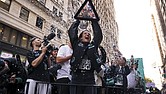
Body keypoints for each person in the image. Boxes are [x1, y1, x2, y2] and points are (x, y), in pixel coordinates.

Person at [68, 20, 103, 94]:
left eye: (89, 34)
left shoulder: (93, 46)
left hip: (89, 78)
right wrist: (77, 20)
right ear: (80, 37)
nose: (87, 35)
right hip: (76, 77)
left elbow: (98, 35)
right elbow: (72, 32)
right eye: (85, 33)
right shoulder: (76, 44)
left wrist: (94, 21)